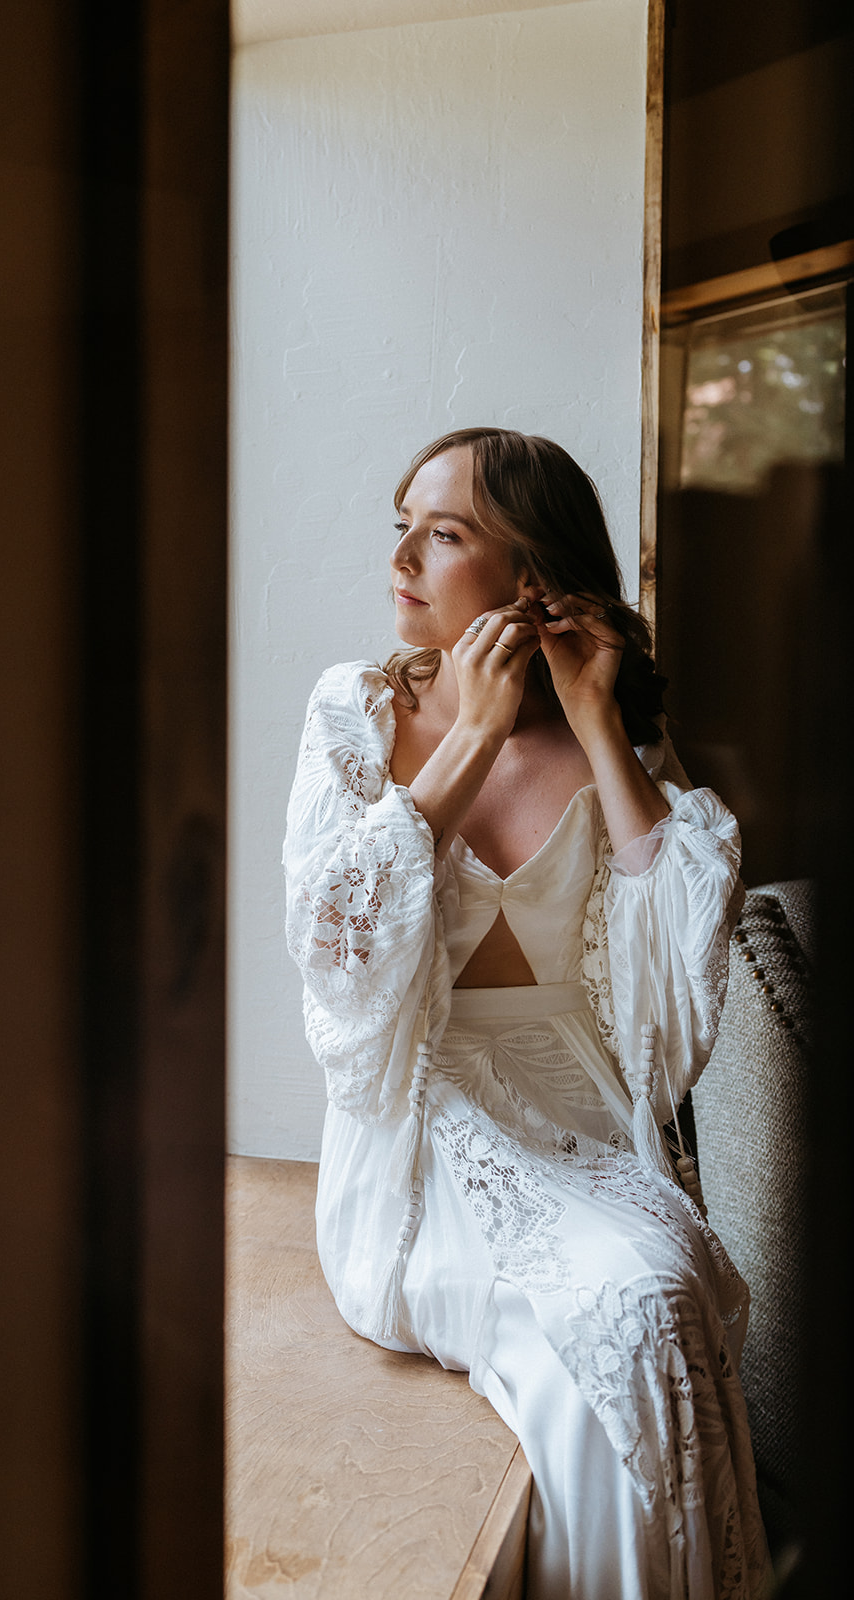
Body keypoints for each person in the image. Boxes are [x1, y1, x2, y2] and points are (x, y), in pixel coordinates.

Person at [282, 428, 770, 1599]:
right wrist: (475, 730)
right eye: (402, 522)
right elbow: (335, 944)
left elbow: (677, 966)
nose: (400, 553)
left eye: (442, 533)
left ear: (532, 574)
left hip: (583, 1111)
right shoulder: (354, 708)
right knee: (635, 1307)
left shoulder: (619, 734)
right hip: (422, 1112)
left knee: (670, 1290)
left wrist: (595, 716)